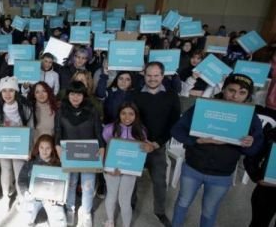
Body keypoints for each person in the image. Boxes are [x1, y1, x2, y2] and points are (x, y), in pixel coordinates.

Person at [171, 74, 263, 227]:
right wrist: (196, 140)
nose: (235, 96)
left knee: (209, 210)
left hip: (222, 174)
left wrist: (249, 143)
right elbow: (177, 130)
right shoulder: (204, 106)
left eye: (242, 93)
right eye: (231, 90)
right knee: (182, 203)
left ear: (248, 96)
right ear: (223, 89)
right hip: (193, 167)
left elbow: (254, 150)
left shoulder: (250, 117)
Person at [132, 62, 181, 227]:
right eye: (149, 75)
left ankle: (159, 211)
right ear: (144, 75)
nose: (152, 79)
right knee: (131, 178)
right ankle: (131, 204)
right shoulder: (135, 94)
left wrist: (157, 143)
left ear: (162, 75)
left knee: (160, 182)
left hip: (158, 146)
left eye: (156, 75)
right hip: (137, 145)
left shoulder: (172, 95)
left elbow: (174, 124)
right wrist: (139, 140)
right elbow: (128, 119)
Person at [54, 81, 104, 227]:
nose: (75, 97)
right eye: (72, 94)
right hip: (69, 153)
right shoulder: (61, 110)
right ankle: (70, 209)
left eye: (79, 94)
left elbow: (98, 131)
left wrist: (101, 149)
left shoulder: (92, 110)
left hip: (89, 154)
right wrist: (58, 148)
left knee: (88, 185)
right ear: (68, 95)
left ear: (84, 95)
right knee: (71, 183)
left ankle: (86, 213)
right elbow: (58, 131)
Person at [102, 102, 153, 227]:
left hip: (130, 171)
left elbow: (146, 148)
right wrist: (107, 168)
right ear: (119, 114)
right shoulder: (109, 129)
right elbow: (103, 149)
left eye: (131, 114)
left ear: (136, 115)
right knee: (111, 196)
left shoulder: (141, 131)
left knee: (124, 200)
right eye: (123, 113)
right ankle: (110, 221)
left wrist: (149, 147)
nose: (127, 117)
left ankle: (126, 225)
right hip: (111, 170)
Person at [0, 76, 34, 211]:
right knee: (5, 170)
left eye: (11, 90)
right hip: (4, 145)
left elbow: (31, 128)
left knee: (19, 172)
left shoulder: (25, 107)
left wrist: (29, 148)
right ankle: (5, 197)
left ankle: (21, 198)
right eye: (4, 91)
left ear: (16, 92)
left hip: (19, 146)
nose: (7, 94)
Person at [17, 134, 67, 227]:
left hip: (51, 198)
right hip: (33, 197)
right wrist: (26, 192)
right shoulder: (31, 163)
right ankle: (28, 216)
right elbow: (22, 180)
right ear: (38, 148)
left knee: (60, 222)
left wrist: (58, 198)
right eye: (42, 147)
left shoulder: (58, 164)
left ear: (52, 149)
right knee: (24, 219)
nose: (44, 151)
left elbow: (63, 185)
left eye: (48, 148)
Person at [244, 106, 276, 227]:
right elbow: (251, 157)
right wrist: (257, 177)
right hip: (267, 190)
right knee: (259, 223)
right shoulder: (271, 134)